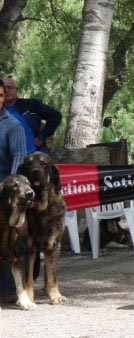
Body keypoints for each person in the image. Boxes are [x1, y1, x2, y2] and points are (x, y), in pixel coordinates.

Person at [0, 78, 28, 304]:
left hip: (5, 193)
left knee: (8, 240)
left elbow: (18, 163)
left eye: (1, 95)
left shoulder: (13, 126)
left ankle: (10, 288)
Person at [2, 77, 62, 154]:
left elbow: (56, 116)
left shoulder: (31, 104)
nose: (6, 90)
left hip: (34, 156)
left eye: (10, 87)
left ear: (16, 90)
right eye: (3, 88)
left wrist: (41, 137)